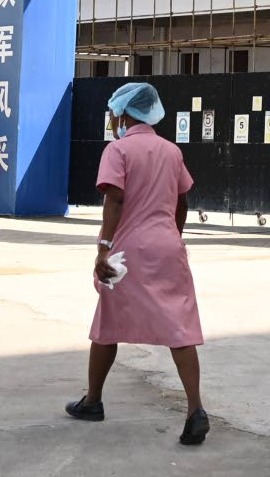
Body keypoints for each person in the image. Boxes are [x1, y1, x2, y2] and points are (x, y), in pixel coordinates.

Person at [65, 81, 209, 446]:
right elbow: (182, 202)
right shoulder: (171, 151)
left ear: (125, 114)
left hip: (128, 252)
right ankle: (195, 410)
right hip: (168, 247)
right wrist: (172, 236)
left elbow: (114, 201)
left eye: (115, 114)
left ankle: (93, 400)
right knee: (178, 327)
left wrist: (103, 248)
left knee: (107, 324)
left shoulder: (118, 150)